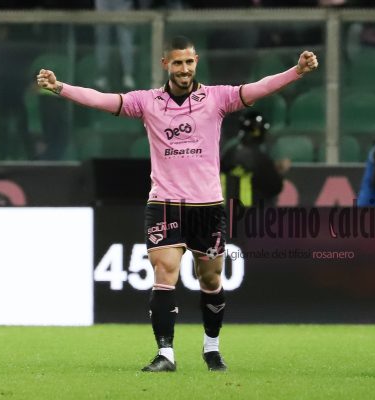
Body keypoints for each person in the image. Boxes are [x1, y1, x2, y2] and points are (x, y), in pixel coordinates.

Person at [36, 35, 318, 372]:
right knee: (164, 272)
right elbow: (102, 100)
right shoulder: (147, 102)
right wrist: (60, 87)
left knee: (210, 279)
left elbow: (258, 88)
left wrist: (296, 72)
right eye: (177, 62)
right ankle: (165, 354)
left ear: (196, 62)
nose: (184, 69)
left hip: (207, 207)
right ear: (165, 64)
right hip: (165, 203)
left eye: (189, 62)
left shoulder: (217, 98)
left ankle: (212, 348)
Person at [221, 110, 291, 207]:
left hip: (227, 211)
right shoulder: (260, 158)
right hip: (252, 212)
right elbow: (275, 188)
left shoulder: (229, 153)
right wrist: (280, 172)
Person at [94, 0, 136, 90]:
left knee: (125, 35)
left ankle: (128, 75)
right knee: (102, 35)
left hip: (122, 2)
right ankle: (102, 76)